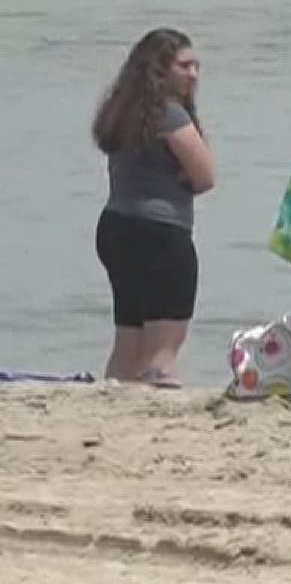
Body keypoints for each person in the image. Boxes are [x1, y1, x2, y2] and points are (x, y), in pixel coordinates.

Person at [91, 27, 214, 386]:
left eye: (196, 67)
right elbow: (205, 176)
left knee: (128, 338)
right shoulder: (170, 115)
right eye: (184, 66)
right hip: (161, 232)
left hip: (116, 226)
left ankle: (114, 404)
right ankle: (161, 398)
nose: (193, 74)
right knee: (164, 342)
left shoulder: (122, 112)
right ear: (158, 70)